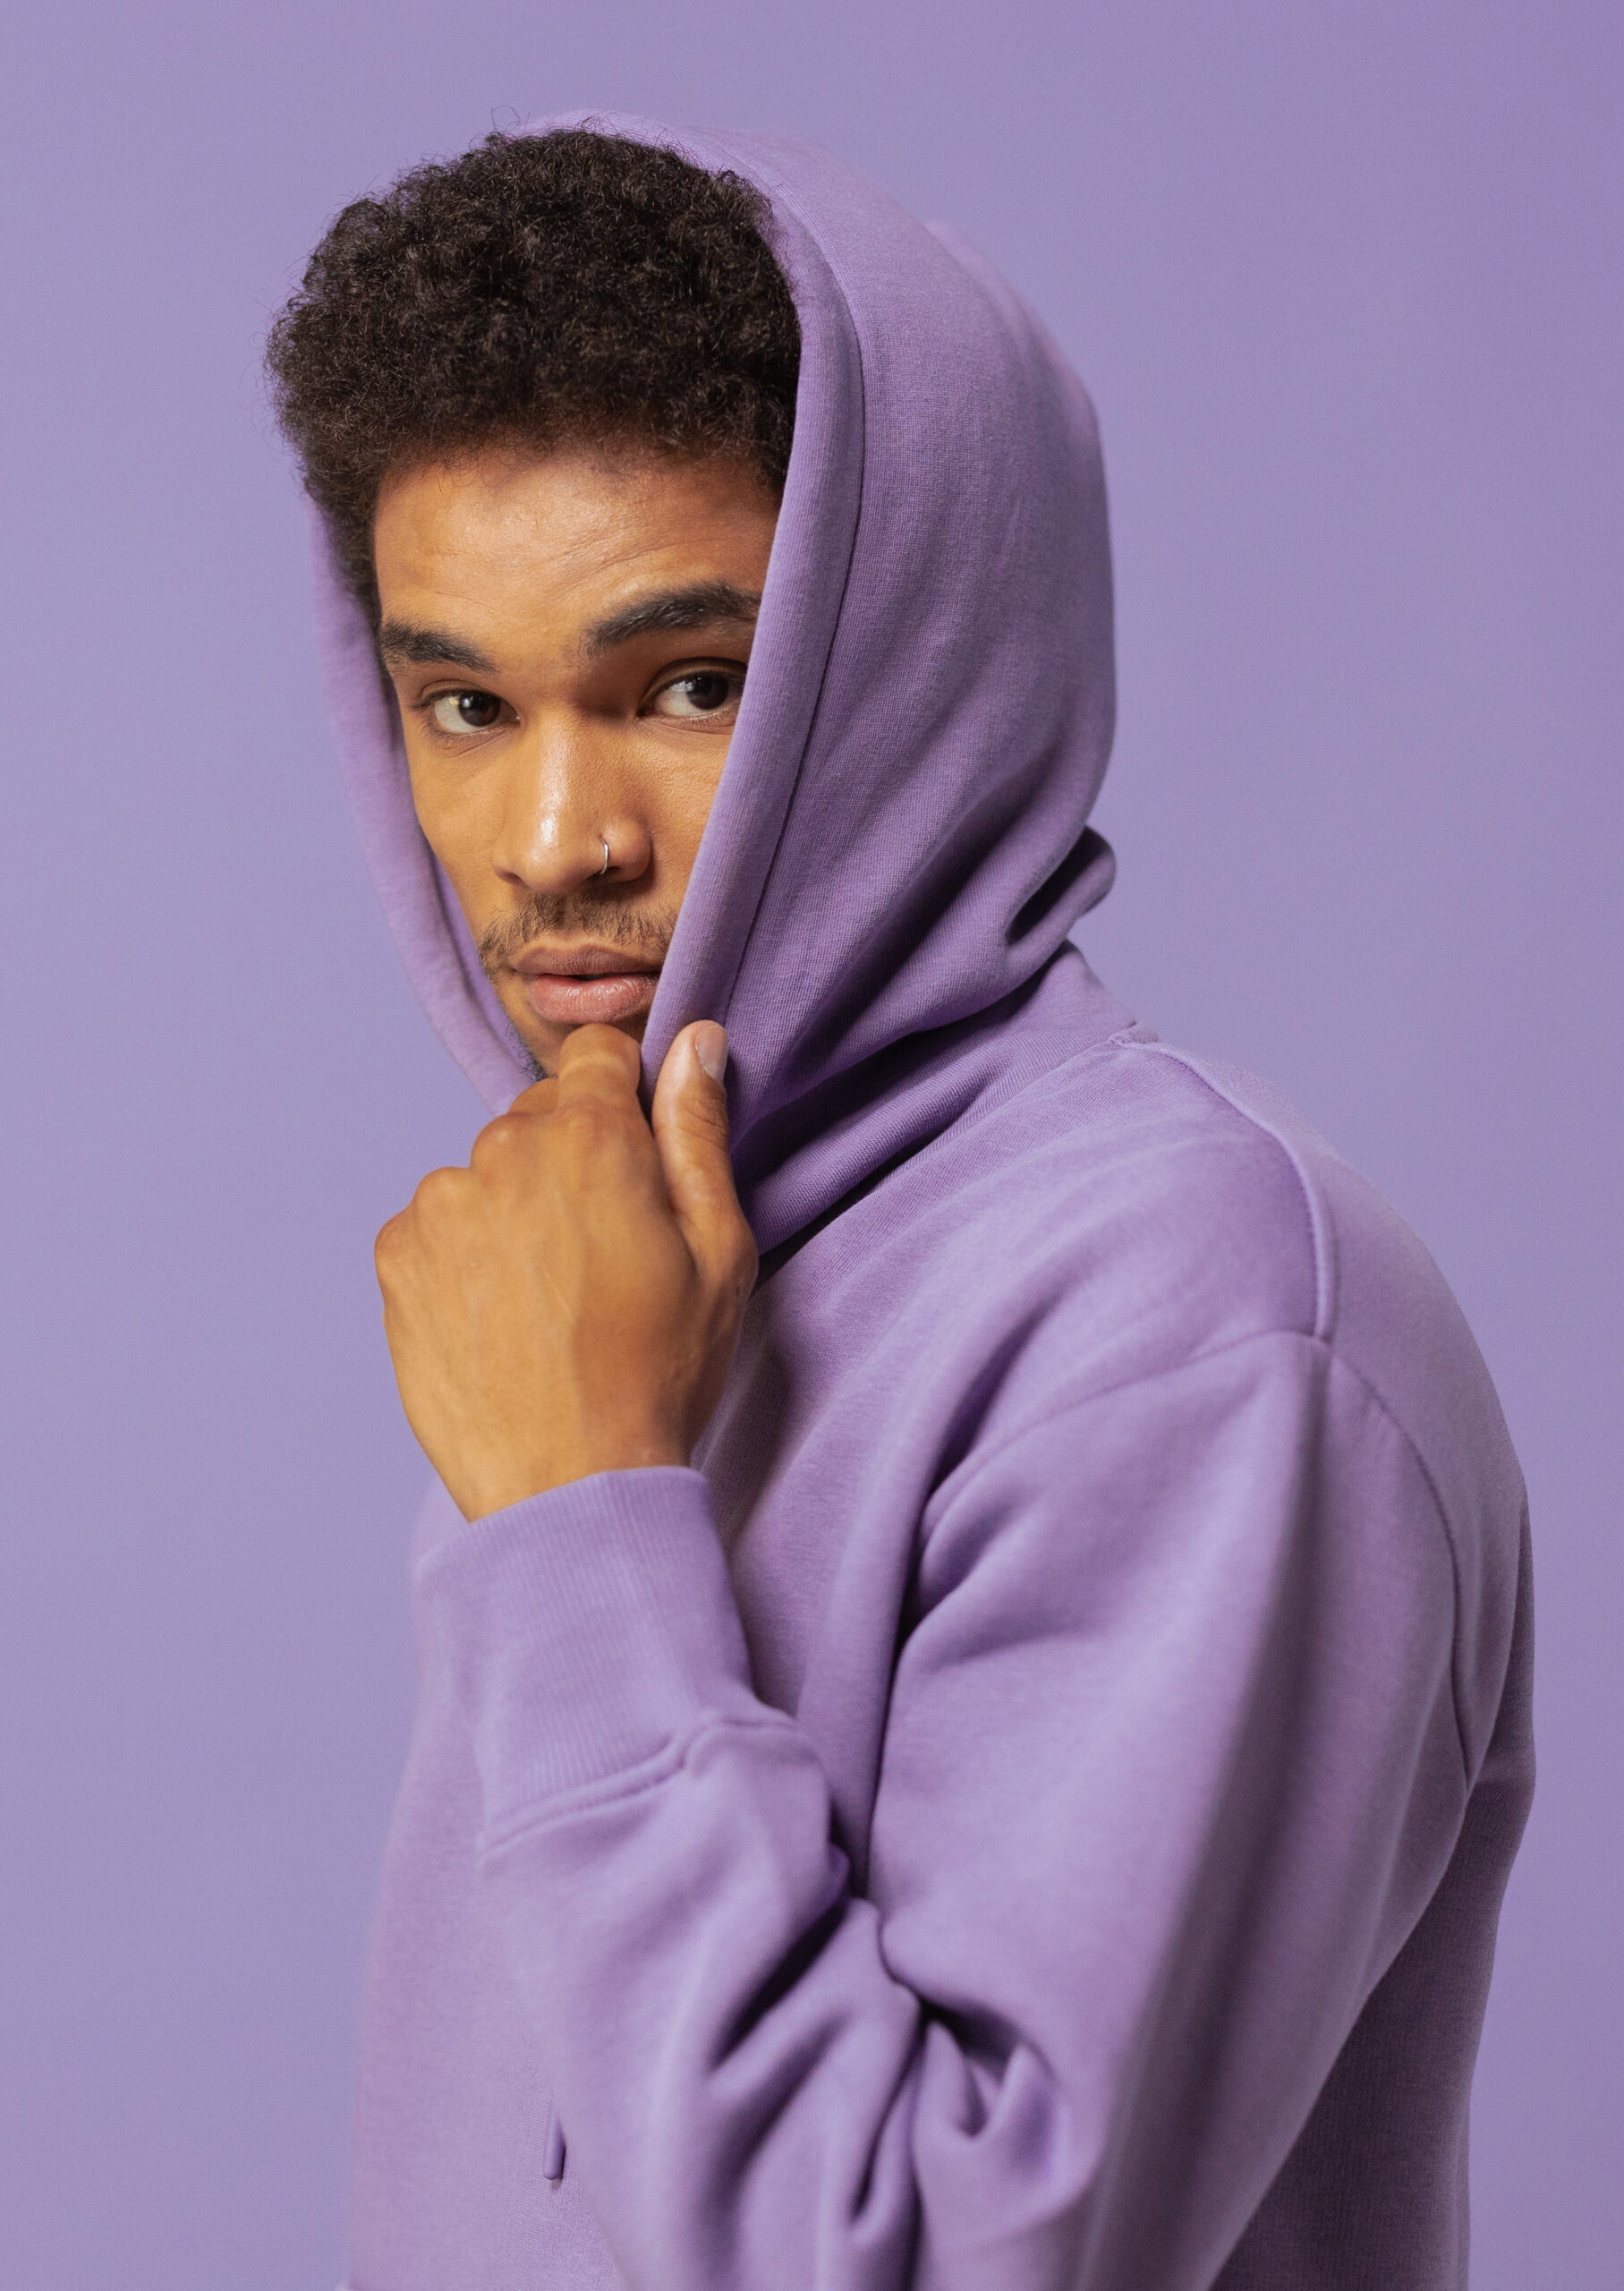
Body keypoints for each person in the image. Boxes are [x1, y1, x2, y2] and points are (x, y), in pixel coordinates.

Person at [269, 116, 1533, 2291]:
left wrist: (576, 1521)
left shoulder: (1201, 1320)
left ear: (916, 669)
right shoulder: (614, 1272)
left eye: (687, 685)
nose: (551, 839)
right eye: (461, 703)